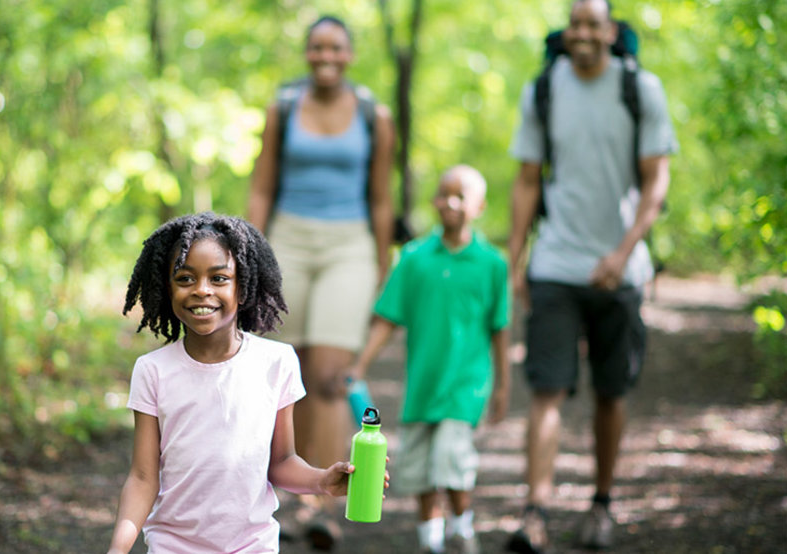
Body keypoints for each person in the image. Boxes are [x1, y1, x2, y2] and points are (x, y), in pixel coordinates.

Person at [505, 1, 678, 552]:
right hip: (556, 262)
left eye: (592, 23)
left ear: (610, 30)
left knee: (611, 391)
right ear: (566, 31)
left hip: (622, 271)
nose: (582, 33)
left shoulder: (641, 89)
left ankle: (602, 504)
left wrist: (624, 253)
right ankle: (534, 512)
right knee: (546, 390)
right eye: (574, 23)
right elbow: (528, 180)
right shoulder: (543, 90)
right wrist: (516, 260)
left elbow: (656, 181)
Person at [106, 213, 368, 554]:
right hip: (174, 546)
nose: (202, 290)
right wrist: (118, 549)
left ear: (243, 286)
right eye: (185, 278)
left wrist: (321, 481)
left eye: (219, 278)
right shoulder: (153, 370)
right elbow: (142, 477)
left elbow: (281, 462)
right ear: (166, 287)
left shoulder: (277, 363)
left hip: (252, 545)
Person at [246, 14, 396, 549]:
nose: (325, 56)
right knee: (287, 372)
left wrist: (383, 265)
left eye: (335, 47)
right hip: (287, 241)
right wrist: (250, 253)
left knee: (332, 375)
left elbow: (381, 198)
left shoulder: (374, 115)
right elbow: (261, 186)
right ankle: (289, 491)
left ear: (350, 54)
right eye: (316, 47)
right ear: (307, 53)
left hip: (348, 245)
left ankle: (325, 504)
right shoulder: (283, 108)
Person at [343, 165, 511, 554]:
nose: (450, 203)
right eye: (443, 194)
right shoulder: (415, 258)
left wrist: (503, 385)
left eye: (461, 196)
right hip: (422, 385)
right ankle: (431, 543)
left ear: (480, 206)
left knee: (450, 463)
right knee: (418, 472)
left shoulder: (492, 264)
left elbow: (500, 329)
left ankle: (463, 530)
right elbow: (388, 318)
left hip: (464, 386)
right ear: (434, 200)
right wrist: (360, 366)